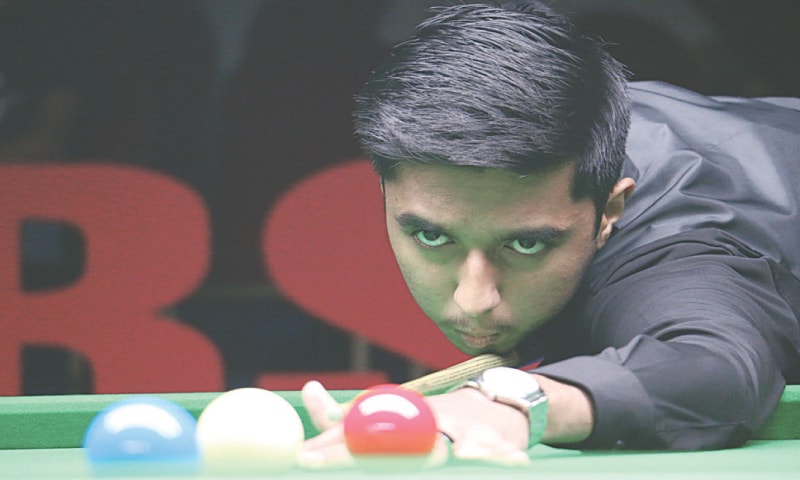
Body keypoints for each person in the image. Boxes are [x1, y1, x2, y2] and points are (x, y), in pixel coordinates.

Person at [298, 1, 800, 467]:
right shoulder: (570, 135)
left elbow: (712, 365)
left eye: (526, 244)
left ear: (611, 210)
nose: (474, 300)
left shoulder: (676, 248)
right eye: (433, 237)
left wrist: (515, 402)